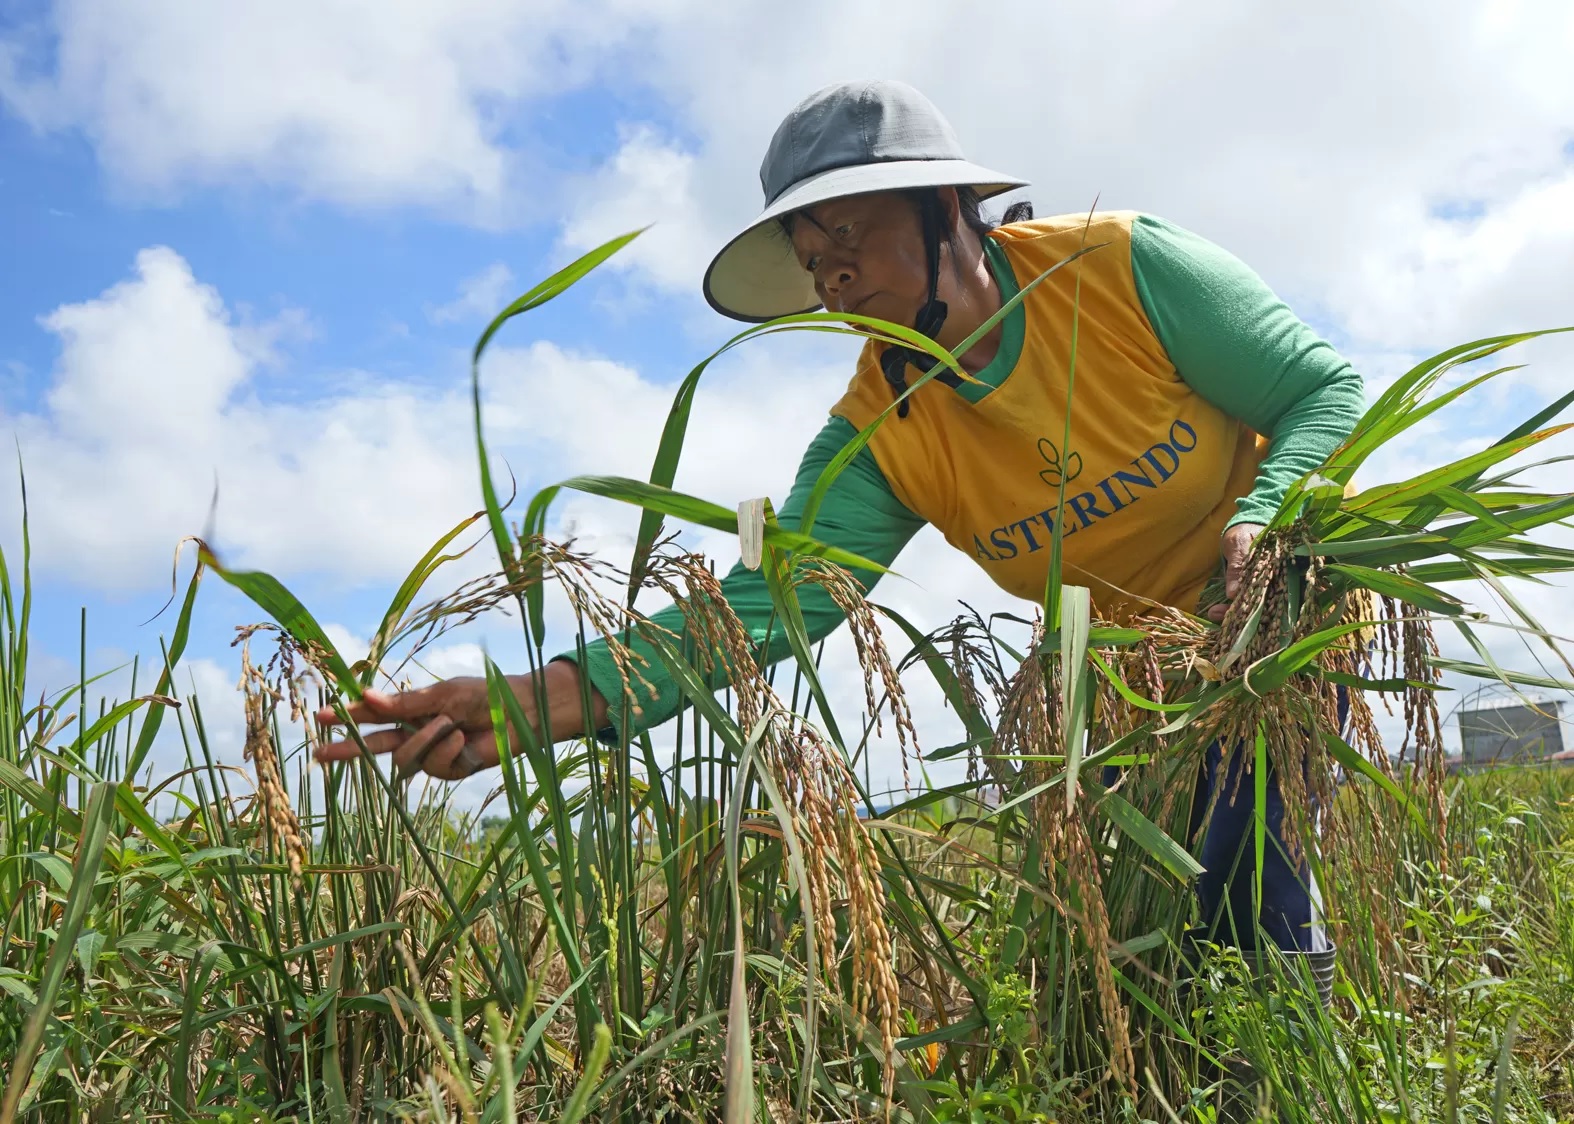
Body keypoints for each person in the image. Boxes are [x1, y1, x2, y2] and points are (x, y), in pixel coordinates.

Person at [315, 80, 1362, 970]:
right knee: (1114, 951)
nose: (830, 271)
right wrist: (527, 703)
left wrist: (1263, 518)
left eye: (849, 231)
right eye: (810, 253)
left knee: (1241, 894)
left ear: (946, 205)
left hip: (1267, 624)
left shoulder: (1118, 269)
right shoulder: (879, 428)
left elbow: (1319, 390)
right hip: (1126, 681)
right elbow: (764, 607)